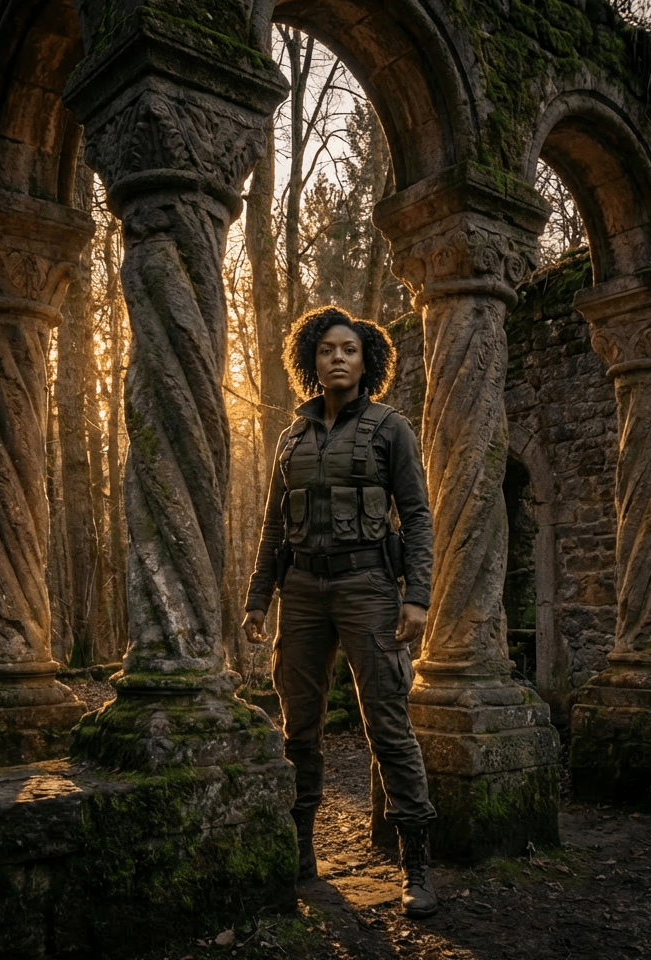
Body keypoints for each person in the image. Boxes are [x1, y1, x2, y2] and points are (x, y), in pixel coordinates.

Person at [242, 304, 438, 919]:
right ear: (311, 359)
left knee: (387, 724)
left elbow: (419, 515)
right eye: (327, 349)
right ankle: (301, 857)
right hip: (301, 593)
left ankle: (417, 867)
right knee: (299, 728)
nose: (337, 358)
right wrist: (257, 599)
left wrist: (416, 596)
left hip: (369, 589)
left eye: (349, 349)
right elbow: (273, 525)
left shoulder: (390, 429)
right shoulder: (291, 437)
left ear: (367, 360)